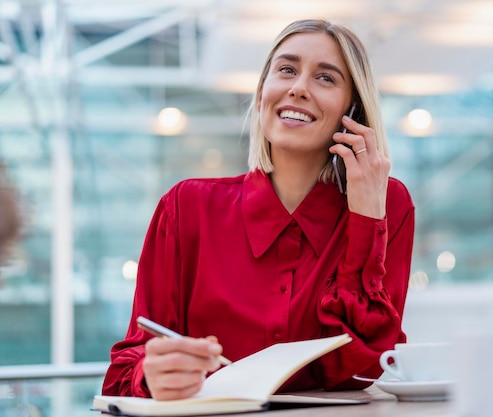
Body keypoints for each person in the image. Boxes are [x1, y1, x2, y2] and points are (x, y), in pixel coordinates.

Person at [102, 18, 415, 401]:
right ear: (264, 89)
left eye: (326, 78)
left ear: (352, 108)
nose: (298, 88)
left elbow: (368, 365)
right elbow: (123, 372)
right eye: (286, 70)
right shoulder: (186, 207)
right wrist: (152, 376)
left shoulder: (387, 204)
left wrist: (366, 218)